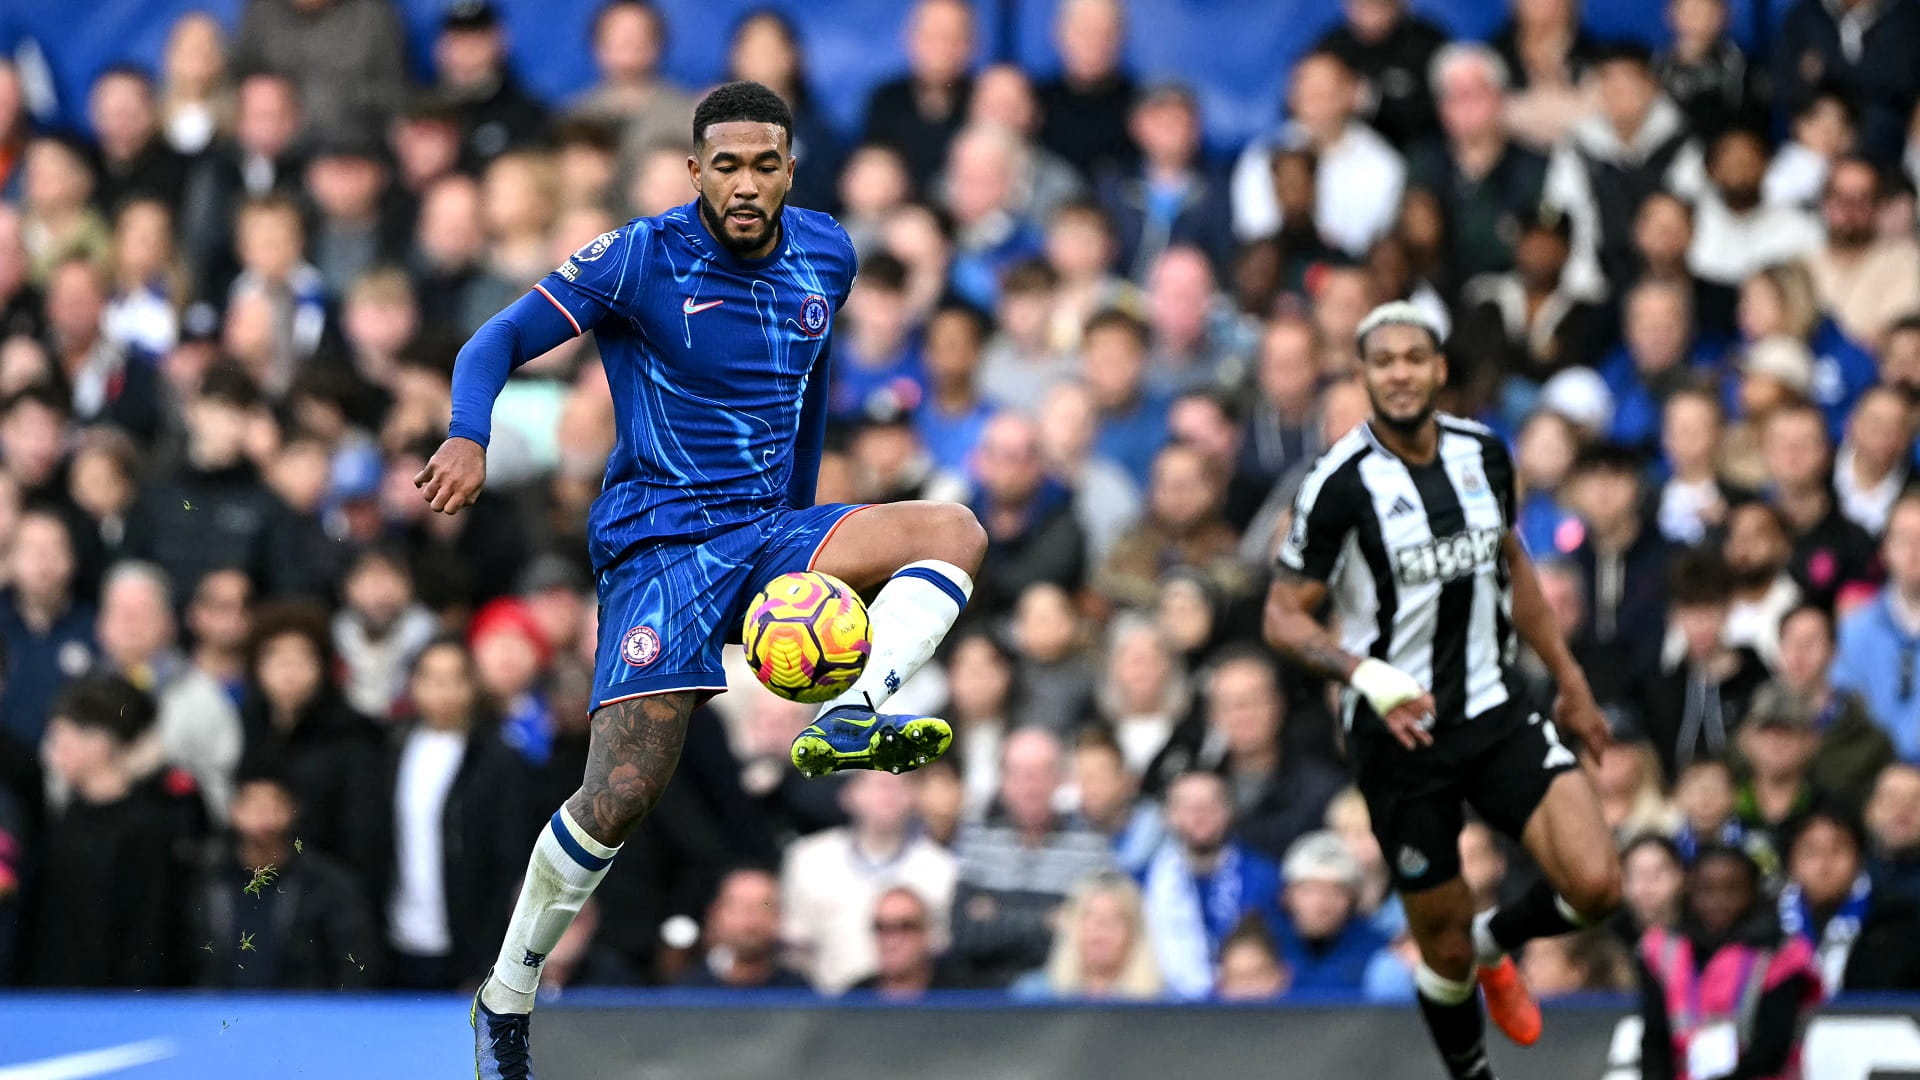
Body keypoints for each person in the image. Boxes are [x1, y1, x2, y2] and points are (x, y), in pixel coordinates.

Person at [427, 83, 990, 1076]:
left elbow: (809, 388)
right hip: (662, 550)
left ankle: (853, 709)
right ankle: (507, 993)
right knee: (621, 794)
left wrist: (801, 556)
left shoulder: (828, 254)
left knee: (954, 529)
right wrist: (469, 434)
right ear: (695, 171)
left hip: (769, 534)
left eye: (764, 165)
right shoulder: (637, 257)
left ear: (790, 171)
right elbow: (494, 341)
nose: (744, 184)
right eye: (725, 166)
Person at [1266, 301, 1622, 1078]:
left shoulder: (1484, 453)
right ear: (1362, 376)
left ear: (1439, 369)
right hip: (1400, 735)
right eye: (1383, 361)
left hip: (1494, 707)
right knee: (1444, 947)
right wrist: (1364, 674)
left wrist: (1571, 682)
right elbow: (1282, 617)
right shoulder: (1338, 484)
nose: (1399, 373)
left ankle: (1500, 940)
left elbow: (1513, 565)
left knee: (1597, 885)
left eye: (1413, 358)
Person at [1635, 845, 1822, 1080]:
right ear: (1689, 891)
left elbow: (1772, 1050)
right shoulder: (1662, 950)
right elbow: (1655, 1041)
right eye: (1706, 890)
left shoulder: (1782, 954)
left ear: (1753, 892)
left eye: (1732, 890)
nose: (1718, 902)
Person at [192, 760, 382, 989]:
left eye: (274, 804)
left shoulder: (327, 883)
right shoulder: (207, 880)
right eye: (253, 805)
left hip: (304, 1007)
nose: (264, 817)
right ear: (233, 810)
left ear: (293, 809)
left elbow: (356, 964)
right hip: (219, 1007)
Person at [780, 770, 958, 993]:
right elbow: (795, 949)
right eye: (876, 783)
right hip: (829, 1003)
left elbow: (939, 950)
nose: (888, 793)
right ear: (848, 795)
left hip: (913, 1003)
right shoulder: (808, 860)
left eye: (899, 783)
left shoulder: (942, 868)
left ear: (914, 796)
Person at [1140, 771, 1284, 1000]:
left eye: (1209, 805)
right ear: (1168, 816)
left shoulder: (1264, 877)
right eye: (1187, 807)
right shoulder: (1145, 882)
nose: (1199, 816)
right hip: (1164, 1008)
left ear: (1229, 811)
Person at [1832, 494, 1920, 763]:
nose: (1914, 552)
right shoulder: (1855, 630)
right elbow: (1845, 717)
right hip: (1870, 774)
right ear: (1884, 551)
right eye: (1903, 540)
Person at [1010, 870, 1164, 1001]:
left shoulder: (1159, 1002)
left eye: (1112, 921)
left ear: (1133, 932)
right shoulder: (1033, 995)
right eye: (1089, 918)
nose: (1100, 932)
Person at [676, 867, 811, 990]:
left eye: (764, 907)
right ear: (715, 913)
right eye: (738, 907)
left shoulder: (797, 993)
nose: (750, 921)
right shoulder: (689, 993)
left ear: (779, 915)